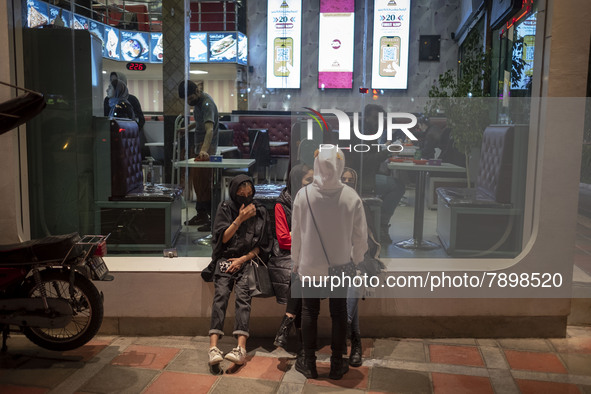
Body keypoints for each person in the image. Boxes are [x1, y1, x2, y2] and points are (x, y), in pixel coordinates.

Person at [292, 146, 368, 380]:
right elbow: (360, 236)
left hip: (309, 265)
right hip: (341, 266)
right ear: (340, 164)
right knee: (338, 313)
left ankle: (310, 363)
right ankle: (337, 363)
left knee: (309, 312)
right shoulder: (351, 197)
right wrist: (357, 260)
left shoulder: (303, 195)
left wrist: (296, 261)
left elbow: (297, 234)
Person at [205, 174, 273, 367]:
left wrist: (243, 259)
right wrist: (240, 218)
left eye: (248, 188)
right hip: (226, 259)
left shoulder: (260, 210)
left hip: (247, 260)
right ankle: (213, 348)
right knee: (221, 296)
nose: (245, 192)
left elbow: (264, 244)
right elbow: (222, 239)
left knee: (244, 298)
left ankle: (240, 348)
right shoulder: (225, 208)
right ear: (234, 190)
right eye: (241, 188)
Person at [344, 104, 406, 243]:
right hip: (359, 178)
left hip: (364, 175)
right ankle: (381, 225)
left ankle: (376, 222)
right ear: (366, 118)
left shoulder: (365, 132)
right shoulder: (359, 134)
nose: (378, 121)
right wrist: (387, 151)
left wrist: (385, 150)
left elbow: (369, 155)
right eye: (375, 118)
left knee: (394, 183)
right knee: (397, 186)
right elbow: (364, 161)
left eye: (380, 119)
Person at [341, 167, 384, 368]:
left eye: (351, 180)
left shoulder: (361, 205)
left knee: (355, 277)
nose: (348, 182)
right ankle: (354, 340)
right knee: (353, 279)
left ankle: (344, 335)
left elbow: (366, 239)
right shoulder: (331, 204)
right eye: (344, 179)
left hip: (357, 258)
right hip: (336, 259)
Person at [271, 164, 314, 353]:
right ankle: (302, 342)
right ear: (297, 181)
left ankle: (287, 324)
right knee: (300, 272)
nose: (312, 184)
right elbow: (283, 240)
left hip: (309, 254)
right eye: (308, 180)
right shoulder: (282, 204)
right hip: (286, 255)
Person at [177, 80, 219, 231]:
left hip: (206, 148)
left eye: (189, 98)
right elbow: (200, 123)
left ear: (196, 92)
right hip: (200, 146)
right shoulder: (198, 104)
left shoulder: (207, 103)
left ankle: (210, 218)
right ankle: (201, 214)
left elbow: (209, 130)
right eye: (186, 100)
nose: (188, 102)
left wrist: (204, 150)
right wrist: (187, 128)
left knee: (204, 183)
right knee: (198, 182)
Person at [104, 72, 147, 158]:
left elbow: (139, 119)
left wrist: (131, 134)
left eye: (115, 81)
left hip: (126, 140)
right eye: (111, 81)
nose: (112, 83)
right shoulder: (108, 101)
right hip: (112, 139)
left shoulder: (129, 102)